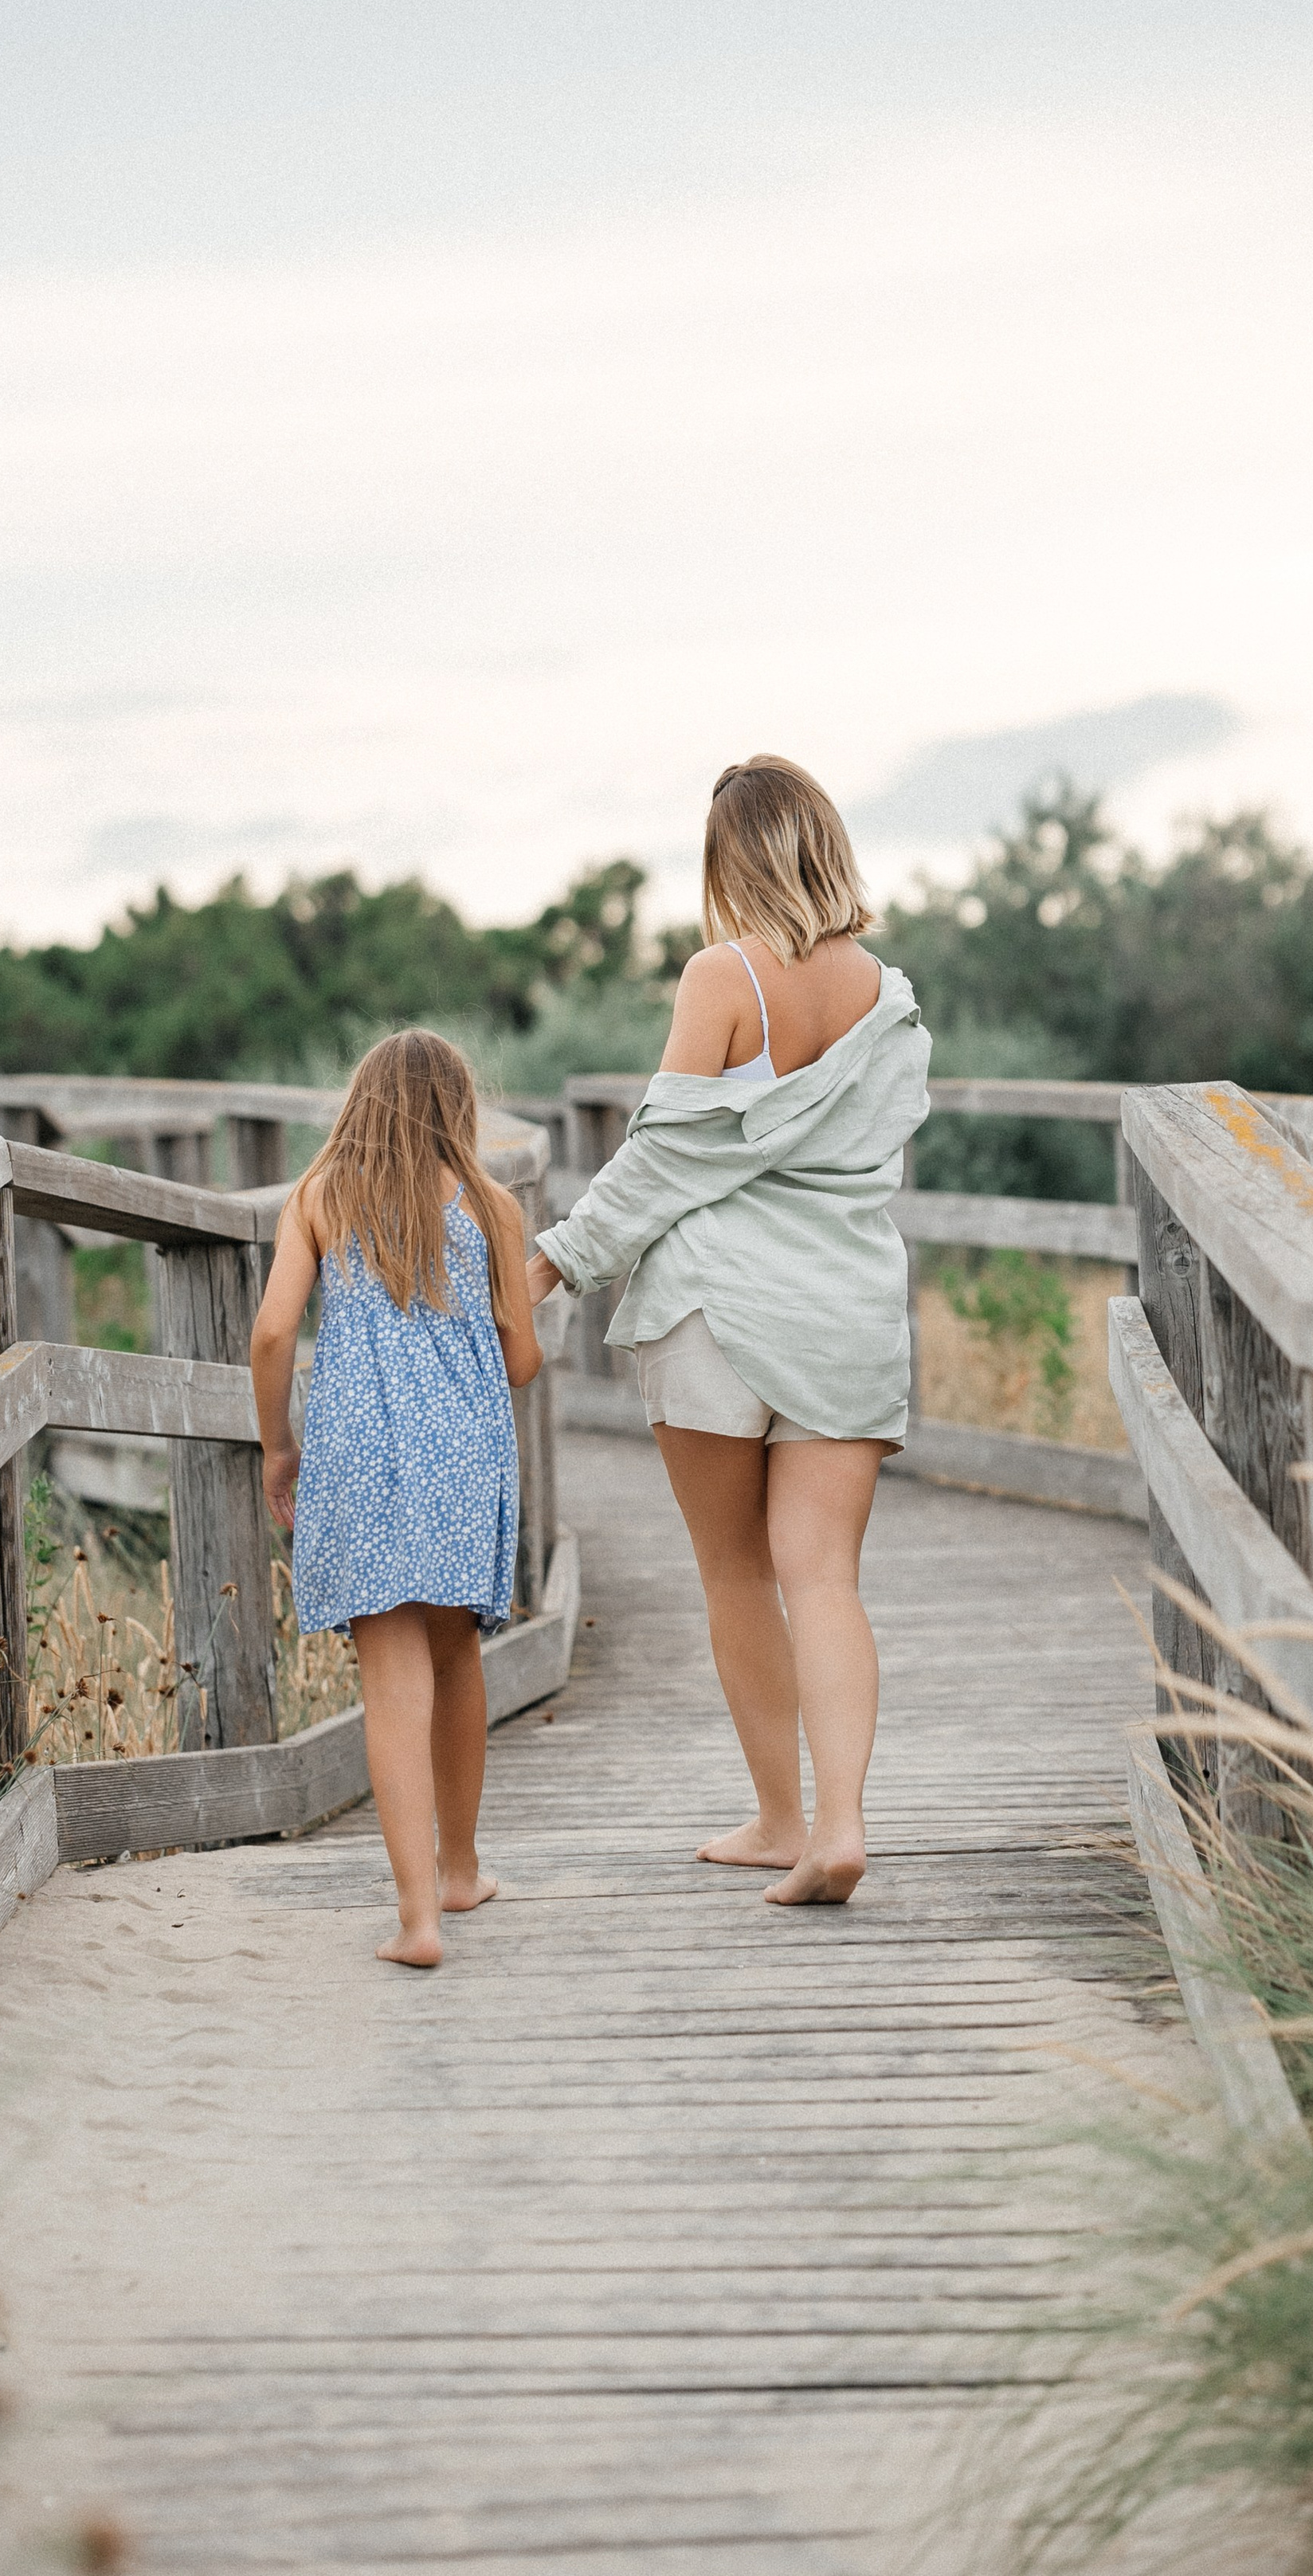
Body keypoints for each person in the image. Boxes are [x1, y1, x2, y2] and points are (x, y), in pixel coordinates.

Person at [527, 755, 931, 1905]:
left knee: (734, 1571)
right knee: (825, 1579)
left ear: (728, 862)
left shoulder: (724, 978)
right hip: (845, 1311)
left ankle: (779, 1818)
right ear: (826, 844)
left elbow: (667, 1158)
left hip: (717, 1306)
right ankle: (842, 1824)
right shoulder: (888, 999)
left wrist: (557, 1257)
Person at [253, 1029, 542, 1969]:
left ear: (359, 1103)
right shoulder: (494, 1207)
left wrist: (277, 1446)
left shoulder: (321, 1196)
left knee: (391, 1681)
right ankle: (461, 1872)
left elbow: (269, 1337)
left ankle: (417, 1921)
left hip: (355, 1456)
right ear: (459, 1107)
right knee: (456, 1655)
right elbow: (522, 1362)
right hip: (462, 1455)